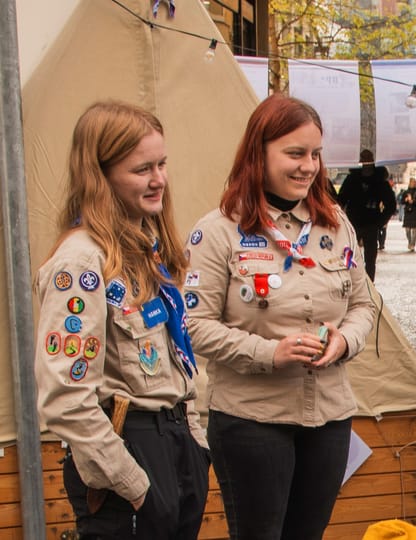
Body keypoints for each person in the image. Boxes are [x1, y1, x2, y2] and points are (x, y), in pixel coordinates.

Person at [182, 94, 376, 539]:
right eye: (294, 153)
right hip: (253, 420)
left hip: (328, 417)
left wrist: (344, 341)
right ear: (258, 153)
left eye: (315, 154)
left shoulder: (336, 224)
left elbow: (364, 306)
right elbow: (193, 326)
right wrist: (272, 352)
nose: (308, 166)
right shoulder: (218, 232)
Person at [34, 101, 209, 539]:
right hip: (129, 451)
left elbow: (175, 356)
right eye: (141, 169)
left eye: (162, 163)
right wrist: (134, 486)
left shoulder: (146, 250)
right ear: (102, 175)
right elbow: (65, 398)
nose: (158, 180)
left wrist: (196, 446)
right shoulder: (81, 263)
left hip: (174, 443)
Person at [337, 148, 396, 280]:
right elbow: (341, 200)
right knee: (349, 254)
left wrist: (380, 221)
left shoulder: (380, 181)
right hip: (354, 222)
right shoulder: (352, 179)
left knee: (370, 258)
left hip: (371, 223)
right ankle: (351, 279)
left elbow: (391, 205)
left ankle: (369, 283)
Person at [400, 179, 416, 251]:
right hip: (408, 212)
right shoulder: (406, 192)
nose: (412, 184)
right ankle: (409, 242)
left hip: (415, 212)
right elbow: (401, 201)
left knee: (414, 231)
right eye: (411, 183)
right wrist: (405, 200)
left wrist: (414, 201)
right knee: (407, 230)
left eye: (414, 183)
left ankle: (412, 244)